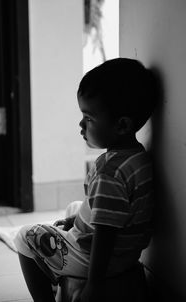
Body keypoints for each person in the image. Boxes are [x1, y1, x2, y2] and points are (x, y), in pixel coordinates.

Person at [14, 58, 158, 302]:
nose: (81, 124)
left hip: (97, 259)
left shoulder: (109, 172)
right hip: (128, 252)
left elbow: (105, 233)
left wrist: (95, 284)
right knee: (73, 209)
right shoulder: (137, 157)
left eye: (89, 118)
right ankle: (63, 274)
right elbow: (110, 213)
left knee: (25, 236)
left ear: (122, 125)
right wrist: (74, 220)